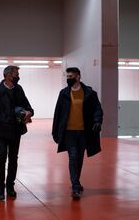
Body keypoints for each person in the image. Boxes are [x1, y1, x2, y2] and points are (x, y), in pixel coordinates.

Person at [0, 65, 34, 201]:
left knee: (13, 158)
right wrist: (1, 119)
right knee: (1, 157)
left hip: (16, 130)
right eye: (15, 74)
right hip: (1, 131)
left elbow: (28, 107)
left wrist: (28, 112)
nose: (17, 77)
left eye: (17, 74)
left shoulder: (19, 90)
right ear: (7, 75)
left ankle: (10, 187)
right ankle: (0, 188)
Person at [52, 67, 103, 200]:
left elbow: (97, 108)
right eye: (67, 77)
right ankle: (75, 186)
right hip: (69, 132)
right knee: (73, 156)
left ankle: (76, 182)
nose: (69, 79)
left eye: (71, 77)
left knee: (79, 158)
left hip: (84, 132)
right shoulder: (63, 93)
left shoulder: (90, 93)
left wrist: (98, 120)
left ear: (78, 77)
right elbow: (58, 112)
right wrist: (55, 131)